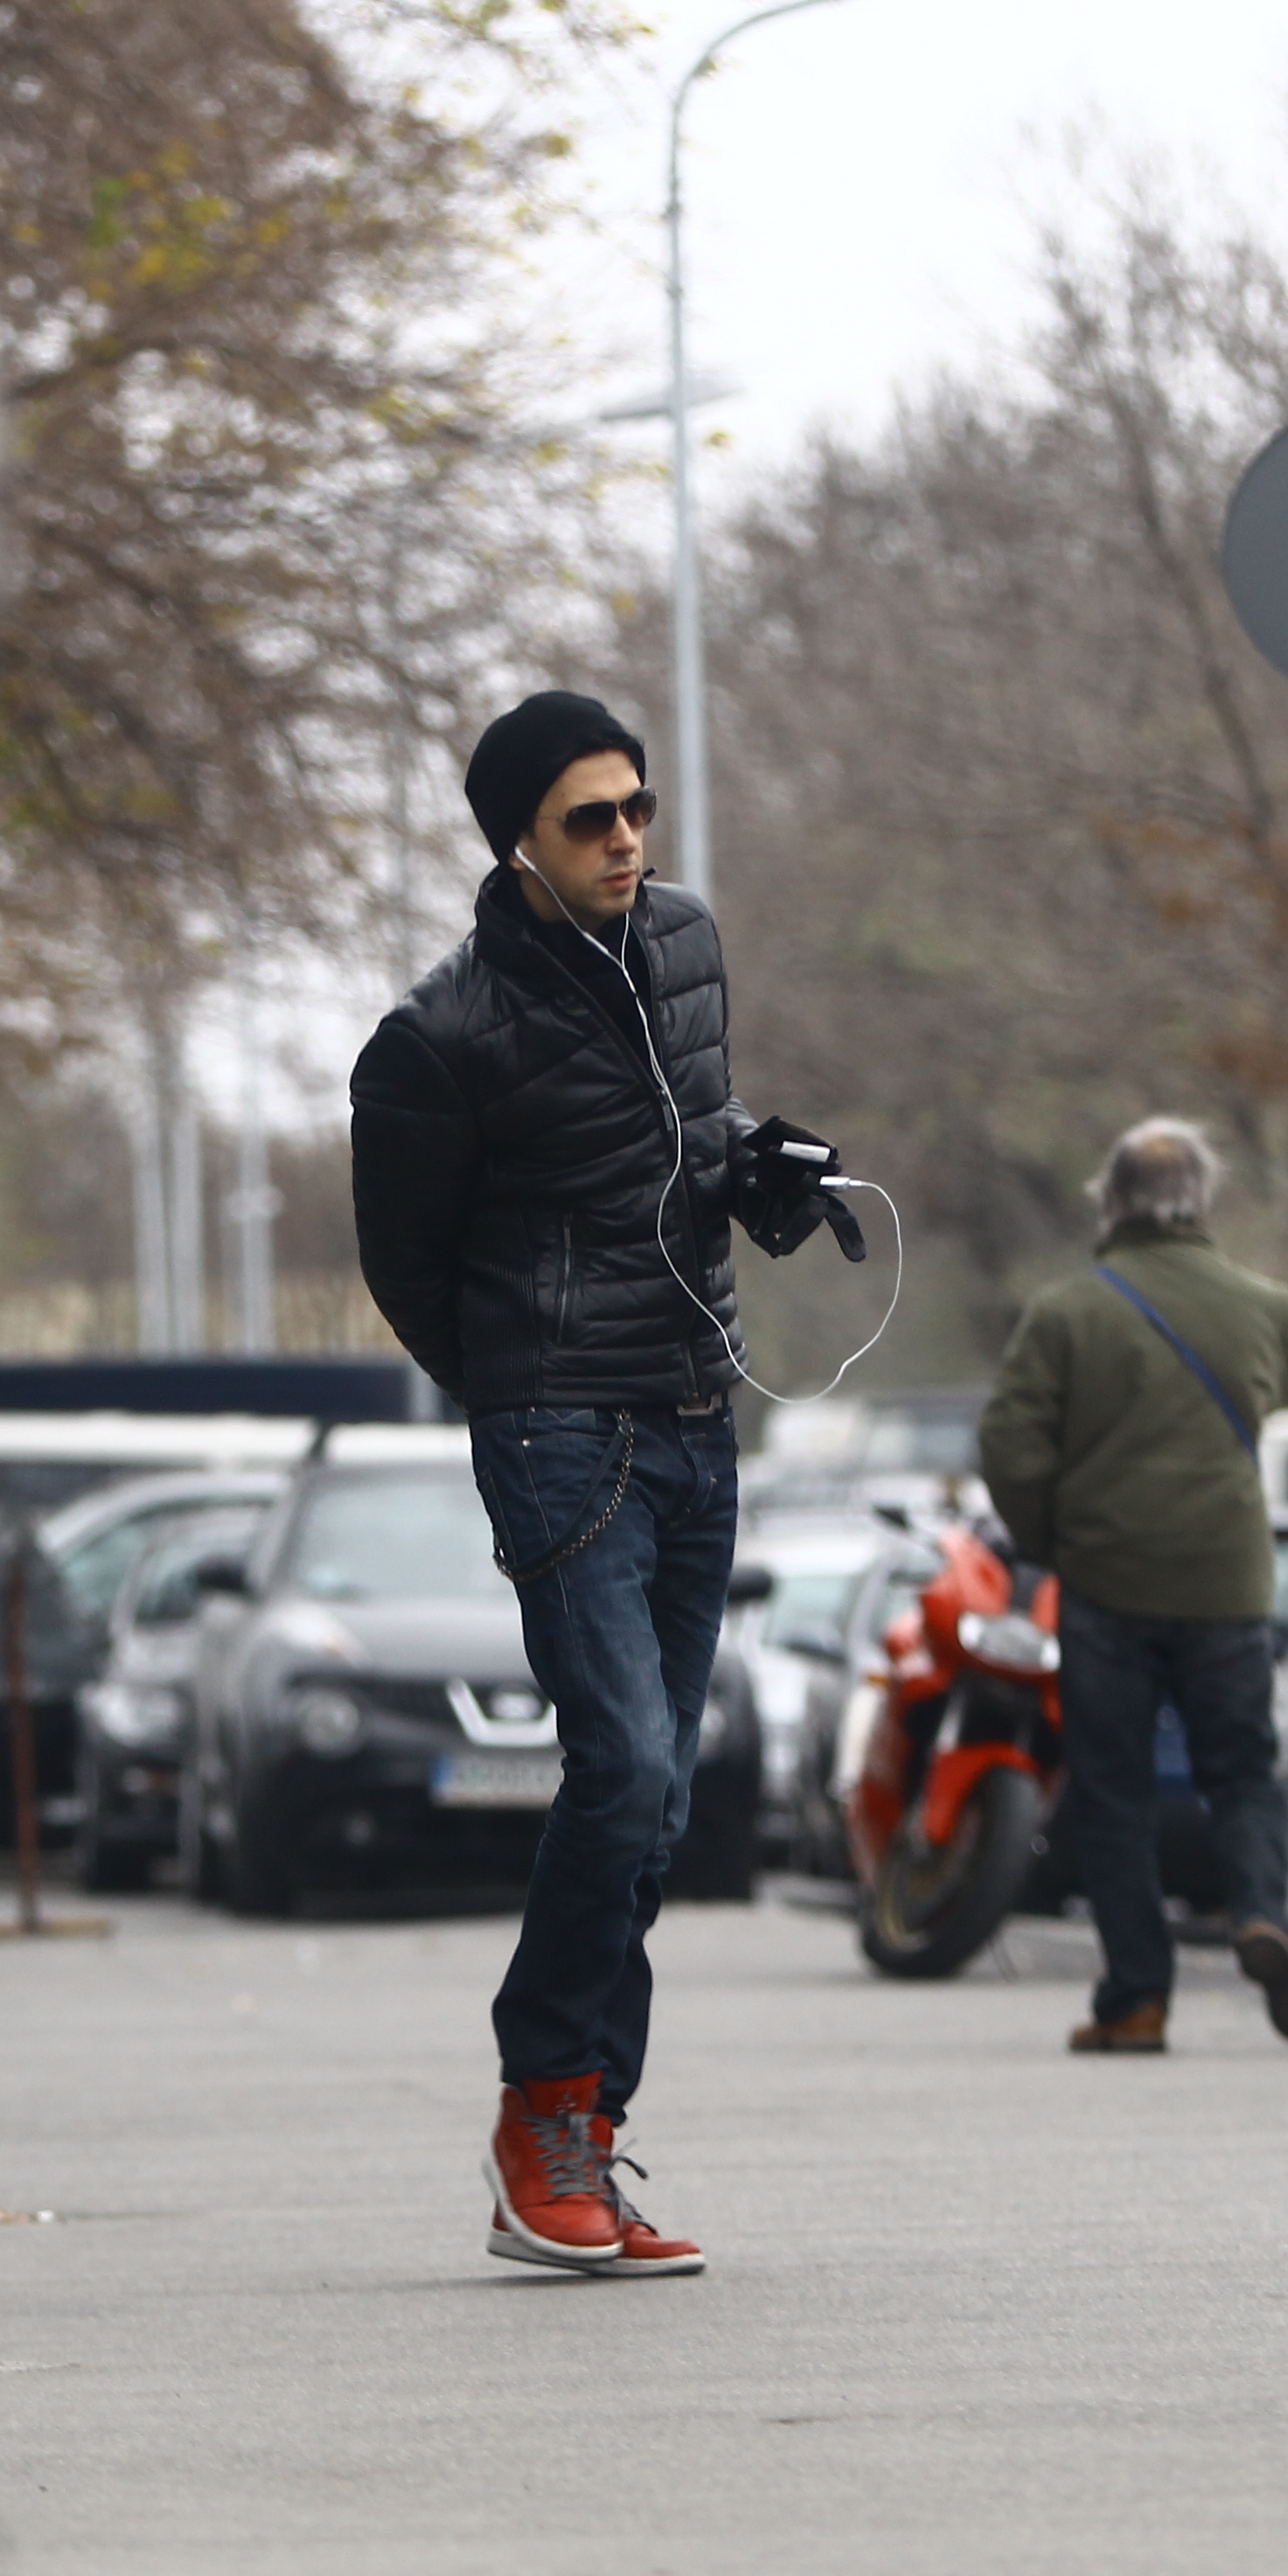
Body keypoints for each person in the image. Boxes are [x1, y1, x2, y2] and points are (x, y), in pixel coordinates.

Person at [351, 690, 857, 2277]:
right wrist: (521, 1379)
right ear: (519, 840)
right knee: (623, 1763)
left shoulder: (685, 944)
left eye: (637, 805)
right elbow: (410, 1274)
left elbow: (676, 1147)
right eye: (591, 816)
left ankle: (585, 2129)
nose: (627, 836)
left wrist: (752, 1176)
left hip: (701, 1410)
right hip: (566, 1430)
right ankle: (541, 2124)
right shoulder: (438, 1039)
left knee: (664, 1795)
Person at [978, 1117, 1288, 2054]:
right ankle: (1261, 1915)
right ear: (1200, 1200)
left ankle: (1136, 1999)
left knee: (1114, 1793)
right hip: (1227, 1582)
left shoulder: (1065, 1314)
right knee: (1244, 1771)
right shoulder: (1266, 1304)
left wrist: (1054, 1540)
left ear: (1114, 1201)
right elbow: (1280, 1391)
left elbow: (1008, 1446)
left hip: (1107, 1585)